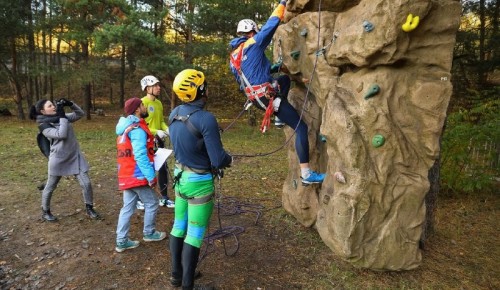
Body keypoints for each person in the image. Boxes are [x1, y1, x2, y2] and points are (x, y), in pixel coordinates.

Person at [229, 0, 327, 186]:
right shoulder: (253, 43)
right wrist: (282, 4)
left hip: (256, 98)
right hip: (268, 98)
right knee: (301, 128)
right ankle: (306, 173)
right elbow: (272, 23)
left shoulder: (234, 57)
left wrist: (271, 69)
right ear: (251, 33)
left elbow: (247, 78)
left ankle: (278, 118)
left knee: (284, 79)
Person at [168, 69, 232, 290]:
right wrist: (229, 159)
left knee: (179, 226)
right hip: (199, 182)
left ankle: (176, 277)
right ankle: (188, 286)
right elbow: (218, 159)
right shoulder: (206, 119)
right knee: (194, 235)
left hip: (180, 178)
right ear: (200, 90)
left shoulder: (174, 113)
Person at [29, 98, 100, 221]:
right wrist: (62, 116)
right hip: (58, 159)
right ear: (43, 111)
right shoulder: (44, 125)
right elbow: (61, 134)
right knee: (51, 186)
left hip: (75, 156)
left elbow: (80, 114)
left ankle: (89, 208)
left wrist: (71, 104)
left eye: (53, 104)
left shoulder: (61, 117)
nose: (54, 107)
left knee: (86, 183)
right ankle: (45, 212)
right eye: (50, 106)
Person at [114, 97, 167, 252]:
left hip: (126, 174)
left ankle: (121, 240)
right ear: (137, 109)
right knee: (152, 203)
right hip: (137, 174)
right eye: (142, 105)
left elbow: (134, 152)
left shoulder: (125, 128)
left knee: (127, 208)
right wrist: (151, 176)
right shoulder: (137, 129)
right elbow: (140, 155)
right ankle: (149, 233)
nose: (145, 107)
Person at [140, 75, 175, 208]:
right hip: (146, 141)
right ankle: (141, 199)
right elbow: (142, 124)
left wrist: (167, 129)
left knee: (163, 168)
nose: (158, 88)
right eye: (155, 86)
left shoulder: (158, 103)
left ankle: (164, 197)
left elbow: (160, 121)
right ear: (147, 88)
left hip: (158, 141)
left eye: (158, 85)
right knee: (147, 169)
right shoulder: (142, 102)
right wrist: (155, 131)